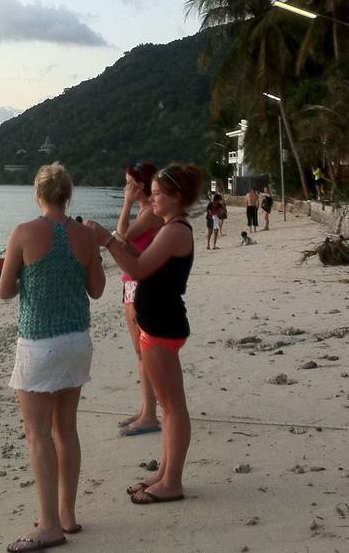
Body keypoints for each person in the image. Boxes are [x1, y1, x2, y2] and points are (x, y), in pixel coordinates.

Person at [0, 163, 106, 552]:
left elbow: (5, 290)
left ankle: (48, 526)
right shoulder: (84, 236)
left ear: (39, 194)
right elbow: (96, 290)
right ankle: (67, 515)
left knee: (38, 434)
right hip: (77, 340)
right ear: (68, 194)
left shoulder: (24, 232)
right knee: (66, 430)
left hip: (40, 342)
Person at [87, 163, 203, 505]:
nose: (151, 199)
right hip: (160, 321)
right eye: (150, 193)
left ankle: (173, 481)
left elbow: (136, 268)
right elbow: (144, 260)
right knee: (169, 406)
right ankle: (165, 473)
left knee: (173, 407)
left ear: (175, 197)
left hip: (163, 323)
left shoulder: (175, 229)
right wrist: (118, 245)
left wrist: (107, 240)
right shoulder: (171, 227)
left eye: (156, 193)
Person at [115, 162, 163, 437]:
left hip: (139, 283)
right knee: (139, 350)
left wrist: (125, 204)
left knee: (143, 349)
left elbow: (122, 235)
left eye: (128, 184)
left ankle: (149, 414)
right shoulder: (147, 211)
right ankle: (146, 408)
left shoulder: (149, 213)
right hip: (133, 281)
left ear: (140, 186)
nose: (126, 189)